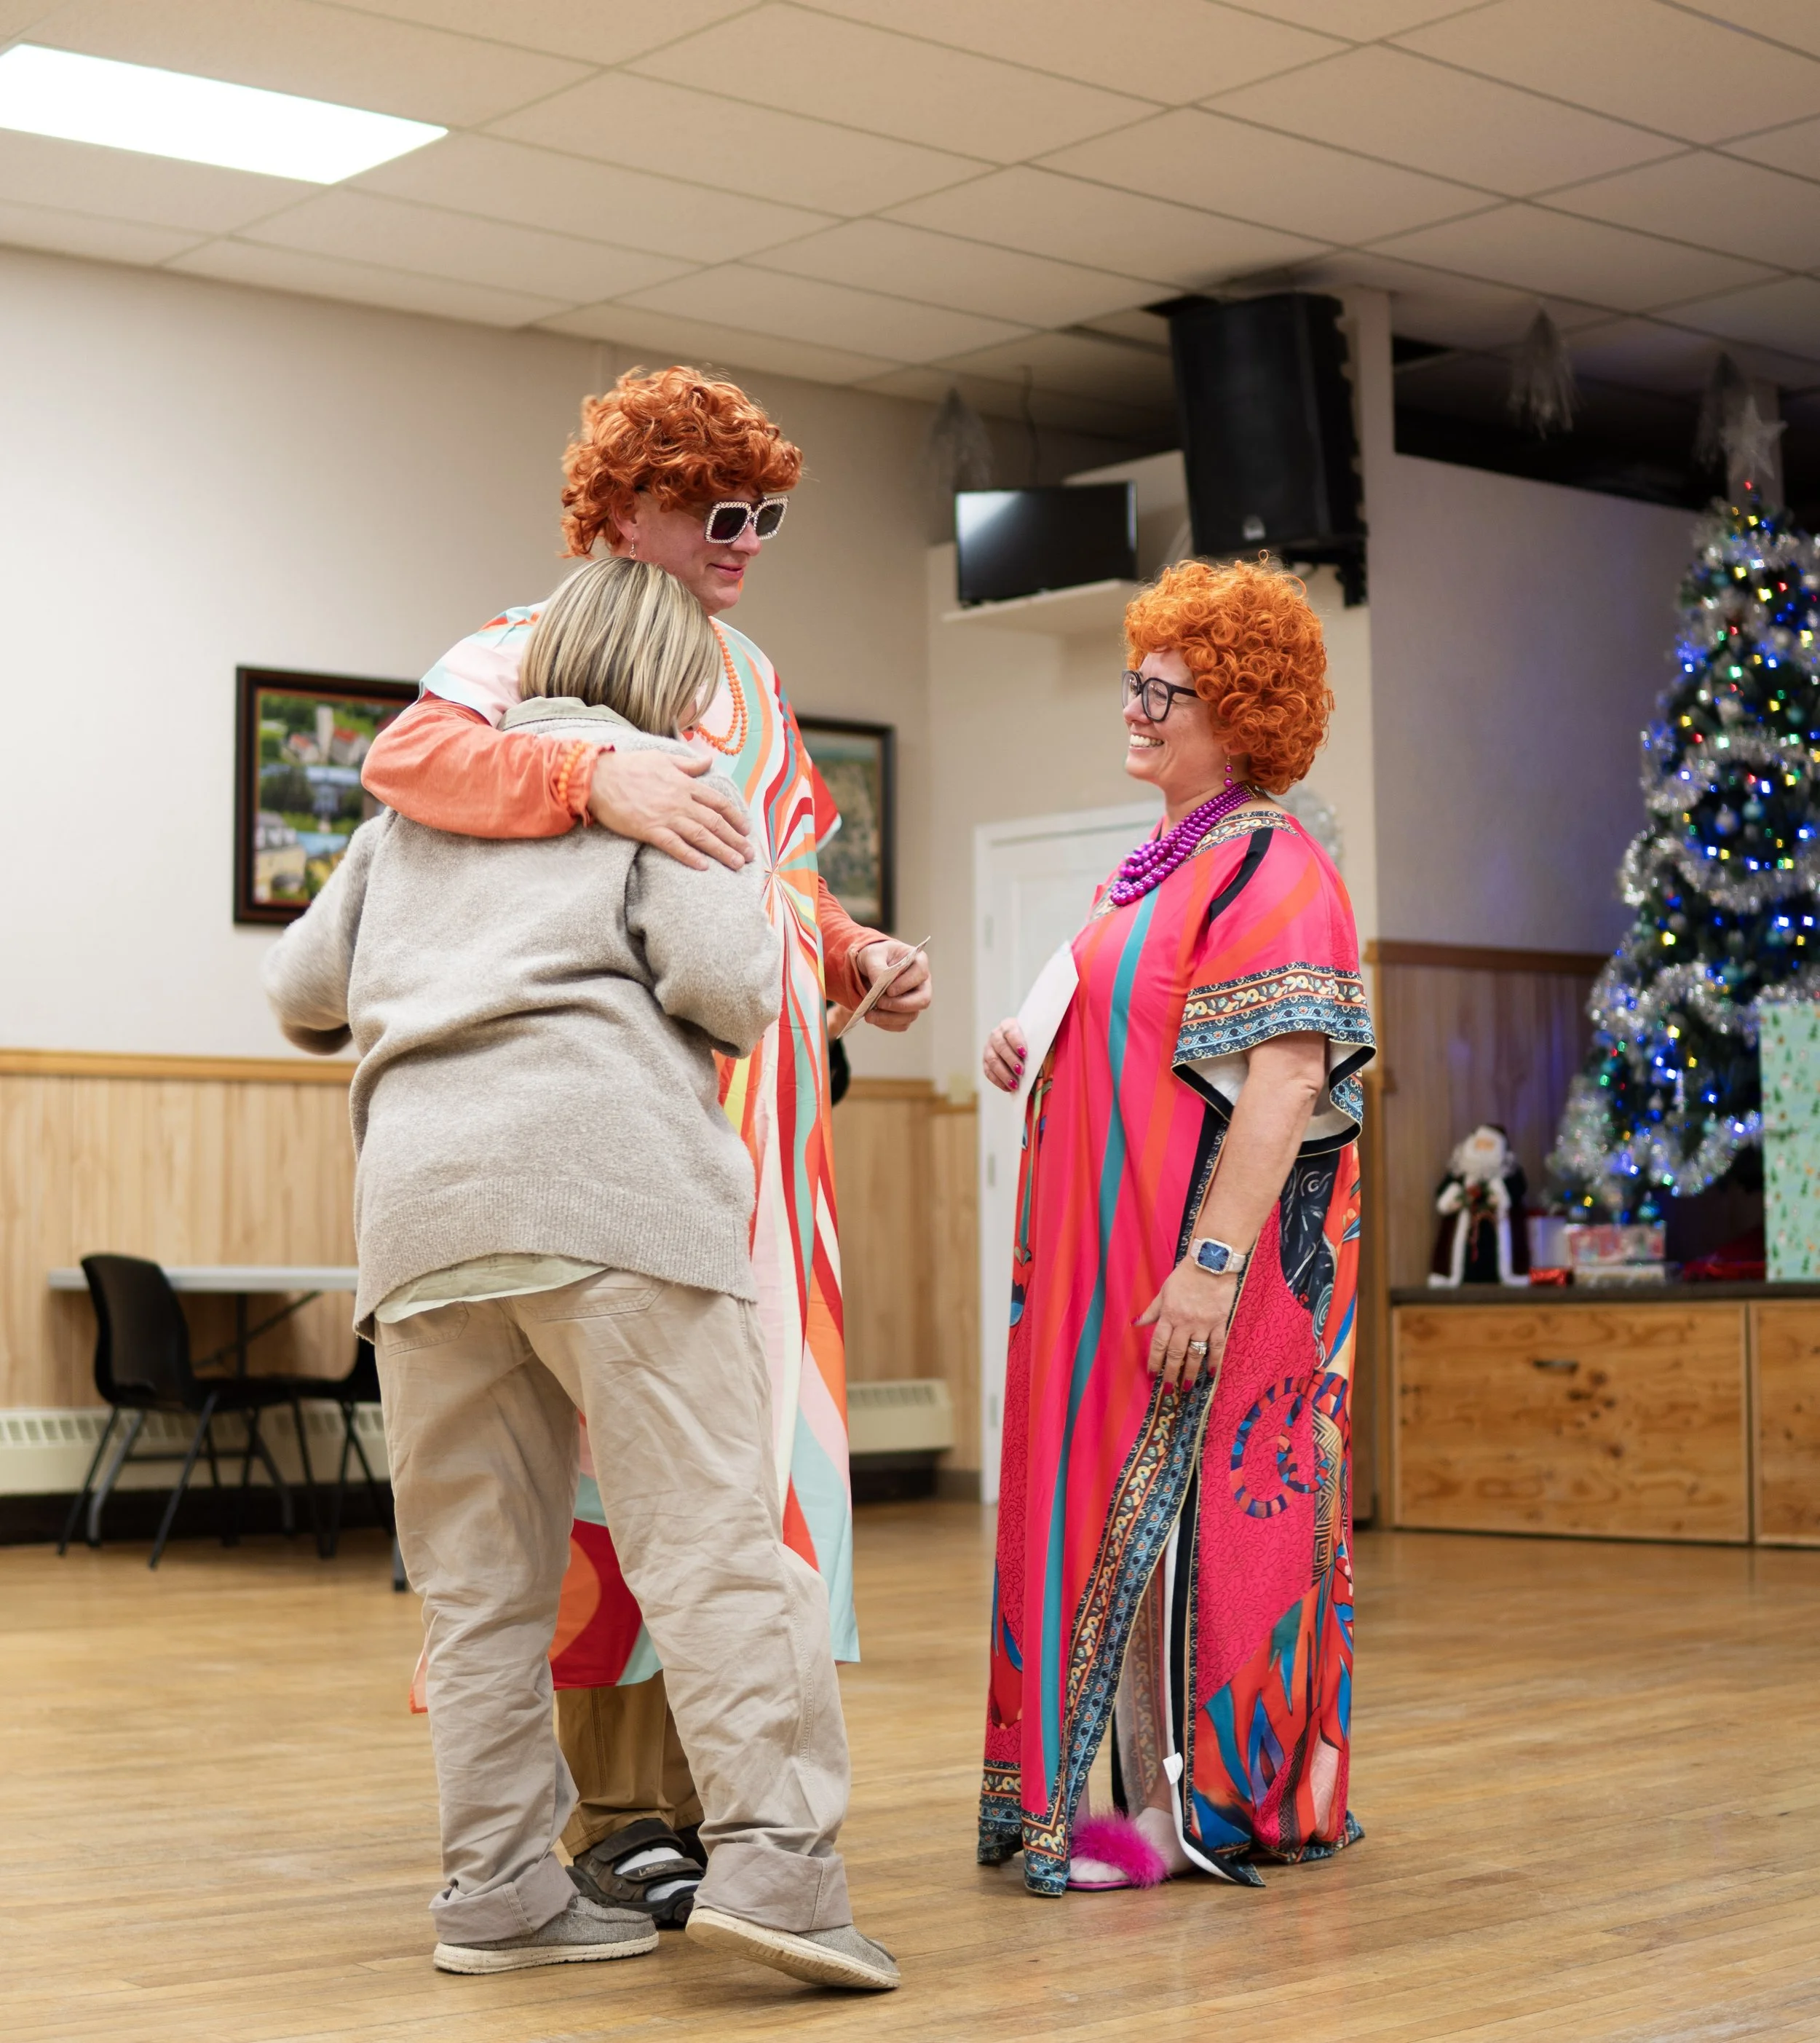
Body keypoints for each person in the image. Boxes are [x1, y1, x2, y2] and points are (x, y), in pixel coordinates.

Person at [264, 555, 898, 1991]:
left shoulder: (421, 807)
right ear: (683, 683)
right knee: (719, 1547)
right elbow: (729, 992)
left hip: (420, 1221)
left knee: (482, 1588)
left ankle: (495, 1892)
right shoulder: (675, 785)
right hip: (610, 1194)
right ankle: (779, 1870)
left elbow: (299, 990)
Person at [360, 365, 931, 1924]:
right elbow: (406, 764)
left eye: (765, 514)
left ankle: (717, 1810)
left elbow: (775, 886)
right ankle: (620, 1814)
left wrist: (854, 954)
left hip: (753, 1121)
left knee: (740, 1475)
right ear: (621, 507)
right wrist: (583, 769)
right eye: (713, 510)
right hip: (609, 1109)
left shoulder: (751, 679)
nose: (745, 539)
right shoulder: (523, 647)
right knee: (613, 1487)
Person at [976, 558, 1375, 1897]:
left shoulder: (1275, 862)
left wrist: (1209, 1265)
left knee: (1182, 1535)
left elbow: (1290, 1075)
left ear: (1243, 719)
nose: (1138, 709)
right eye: (1137, 682)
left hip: (1195, 1262)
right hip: (1108, 1258)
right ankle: (1128, 1803)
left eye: (1171, 693)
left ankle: (1172, 1817)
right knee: (1120, 1532)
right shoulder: (1164, 859)